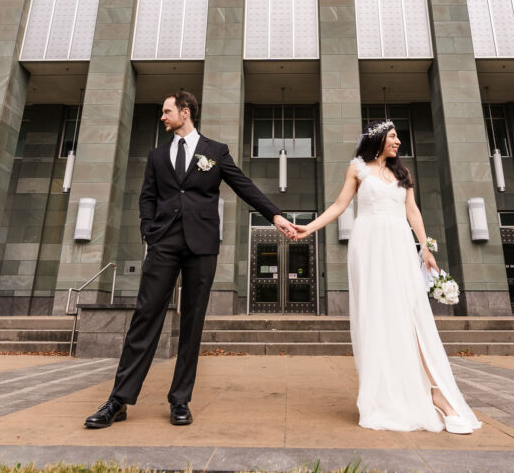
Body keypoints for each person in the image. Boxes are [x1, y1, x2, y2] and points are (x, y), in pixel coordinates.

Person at [85, 91, 297, 429]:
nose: (162, 117)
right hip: (163, 243)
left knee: (192, 322)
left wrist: (275, 216)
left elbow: (244, 185)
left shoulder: (215, 151)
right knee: (145, 317)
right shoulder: (157, 155)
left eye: (167, 111)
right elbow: (147, 197)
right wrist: (148, 233)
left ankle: (180, 400)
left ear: (185, 112)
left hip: (201, 246)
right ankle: (119, 400)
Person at [292, 120, 482, 434]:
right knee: (376, 317)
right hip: (367, 244)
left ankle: (435, 391)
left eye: (397, 137)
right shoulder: (357, 169)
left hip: (398, 244)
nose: (398, 142)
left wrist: (426, 247)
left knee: (410, 314)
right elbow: (340, 205)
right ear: (378, 139)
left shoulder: (403, 175)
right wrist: (308, 228)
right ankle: (383, 394)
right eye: (393, 137)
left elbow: (413, 212)